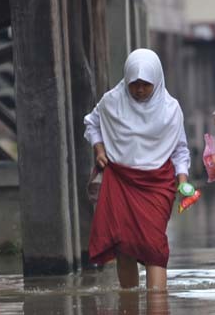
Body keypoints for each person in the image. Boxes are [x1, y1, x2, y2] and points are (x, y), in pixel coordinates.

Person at [84, 48, 190, 290]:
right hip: (121, 180)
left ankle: (157, 306)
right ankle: (128, 302)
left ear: (157, 81)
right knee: (124, 247)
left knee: (155, 249)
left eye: (145, 84)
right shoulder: (111, 101)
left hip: (157, 184)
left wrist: (182, 180)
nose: (139, 90)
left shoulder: (171, 109)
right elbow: (92, 123)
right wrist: (99, 150)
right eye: (134, 84)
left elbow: (180, 149)